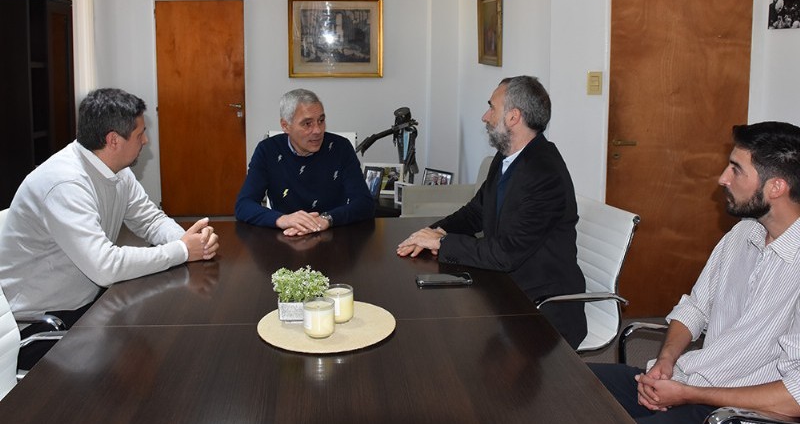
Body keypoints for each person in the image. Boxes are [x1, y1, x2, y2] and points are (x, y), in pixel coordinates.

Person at [590, 121, 800, 423]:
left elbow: (794, 398)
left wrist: (688, 394)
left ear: (776, 187)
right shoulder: (742, 234)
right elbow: (696, 307)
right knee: (569, 384)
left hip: (734, 413)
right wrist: (666, 361)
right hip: (689, 382)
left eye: (736, 169)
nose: (723, 178)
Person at [0, 88, 219, 368]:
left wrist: (188, 240)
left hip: (85, 306)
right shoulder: (65, 184)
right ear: (113, 140)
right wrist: (182, 251)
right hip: (40, 326)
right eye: (140, 134)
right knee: (155, 356)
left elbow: (150, 219)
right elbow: (105, 267)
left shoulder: (117, 171)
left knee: (170, 335)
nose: (146, 140)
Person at [396, 76, 587, 348]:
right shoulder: (508, 157)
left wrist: (441, 242)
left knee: (448, 342)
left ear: (513, 117)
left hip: (539, 305)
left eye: (491, 108)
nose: (485, 117)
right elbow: (476, 211)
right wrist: (435, 230)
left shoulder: (545, 174)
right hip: (504, 286)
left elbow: (506, 253)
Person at [235, 88, 374, 235]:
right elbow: (243, 205)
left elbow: (364, 203)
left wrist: (327, 219)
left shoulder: (341, 147)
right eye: (307, 124)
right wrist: (282, 219)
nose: (318, 130)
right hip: (285, 238)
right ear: (285, 126)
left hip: (333, 235)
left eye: (321, 121)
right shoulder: (268, 150)